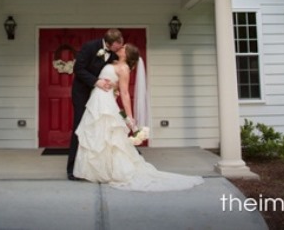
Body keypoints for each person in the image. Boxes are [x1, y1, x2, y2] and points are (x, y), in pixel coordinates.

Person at [73, 43, 204, 192]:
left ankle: (110, 171)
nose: (121, 48)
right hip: (96, 98)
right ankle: (97, 171)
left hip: (104, 102)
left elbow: (125, 93)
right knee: (95, 134)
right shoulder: (113, 62)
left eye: (124, 48)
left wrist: (129, 117)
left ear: (127, 55)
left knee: (108, 137)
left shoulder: (124, 68)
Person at [66, 28, 124, 181]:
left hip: (100, 96)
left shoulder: (113, 53)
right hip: (82, 94)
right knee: (80, 127)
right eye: (118, 45)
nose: (119, 48)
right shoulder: (89, 47)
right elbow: (78, 69)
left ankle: (95, 166)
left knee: (98, 129)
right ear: (110, 43)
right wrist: (96, 81)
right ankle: (72, 169)